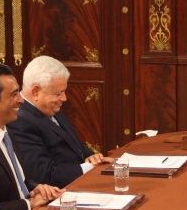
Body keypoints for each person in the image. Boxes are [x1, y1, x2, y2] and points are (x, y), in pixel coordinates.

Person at [0, 63, 63, 210]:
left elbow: (19, 181)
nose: (21, 100)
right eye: (13, 94)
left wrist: (36, 188)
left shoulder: (7, 132)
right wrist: (29, 204)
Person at [8, 56, 113, 188]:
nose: (64, 98)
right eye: (58, 93)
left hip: (81, 182)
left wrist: (92, 157)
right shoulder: (20, 121)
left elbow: (74, 143)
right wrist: (89, 167)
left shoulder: (50, 106)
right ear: (36, 91)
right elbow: (44, 175)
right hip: (61, 192)